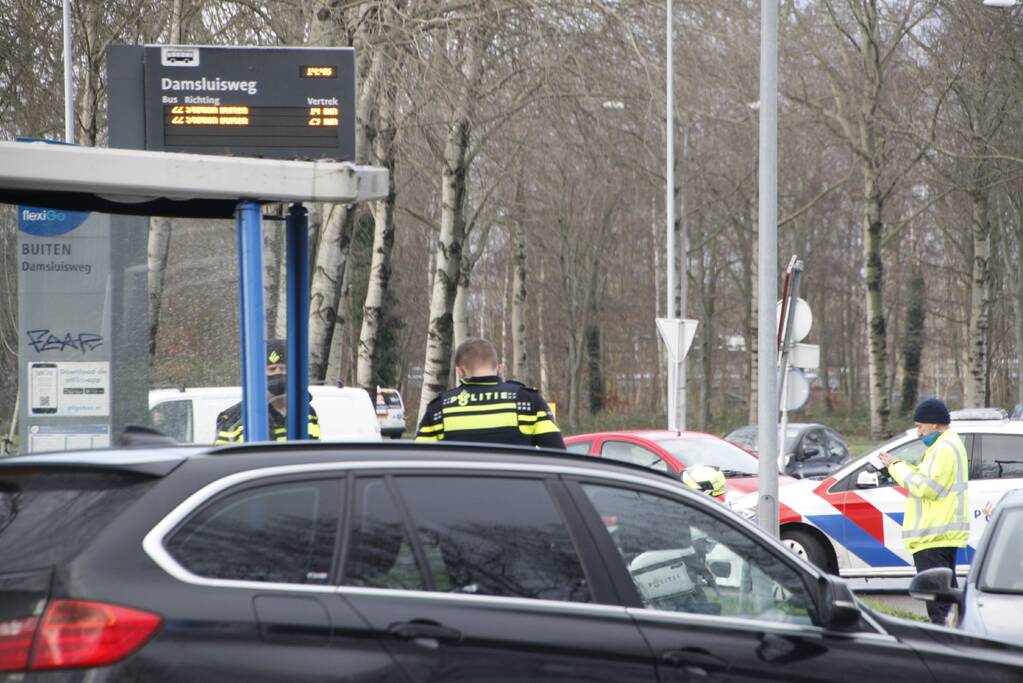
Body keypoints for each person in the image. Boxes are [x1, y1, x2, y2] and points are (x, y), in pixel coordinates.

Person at [879, 398, 968, 625]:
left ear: (934, 424)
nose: (918, 433)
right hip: (939, 535)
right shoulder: (946, 445)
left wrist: (896, 467)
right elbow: (927, 476)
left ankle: (945, 642)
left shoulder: (944, 448)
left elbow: (928, 487)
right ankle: (956, 637)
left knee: (939, 606)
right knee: (948, 603)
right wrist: (899, 464)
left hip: (933, 536)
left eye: (920, 426)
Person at [416, 337, 565, 449]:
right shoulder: (527, 401)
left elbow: (421, 463)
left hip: (458, 483)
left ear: (460, 371)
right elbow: (557, 454)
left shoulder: (439, 409)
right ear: (500, 369)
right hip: (517, 483)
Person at [215, 339, 321, 443]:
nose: (277, 373)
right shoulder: (233, 417)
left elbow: (313, 448)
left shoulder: (306, 411)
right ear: (260, 373)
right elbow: (223, 453)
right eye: (271, 369)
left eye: (283, 368)